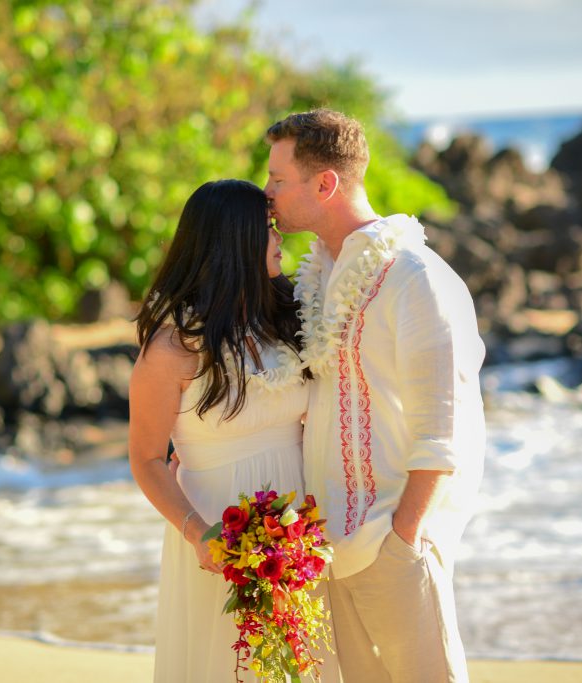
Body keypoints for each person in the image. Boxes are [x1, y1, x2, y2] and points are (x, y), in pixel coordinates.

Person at [264, 109, 486, 683]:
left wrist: (401, 541)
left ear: (325, 184)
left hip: (392, 543)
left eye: (278, 180)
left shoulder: (416, 278)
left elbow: (445, 430)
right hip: (328, 548)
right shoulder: (318, 275)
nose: (268, 194)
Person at [128, 179, 336, 682]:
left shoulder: (287, 318)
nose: (279, 236)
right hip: (216, 532)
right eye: (266, 229)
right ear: (235, 242)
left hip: (298, 527)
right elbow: (147, 459)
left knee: (301, 665)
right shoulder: (174, 348)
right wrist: (200, 535)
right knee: (228, 664)